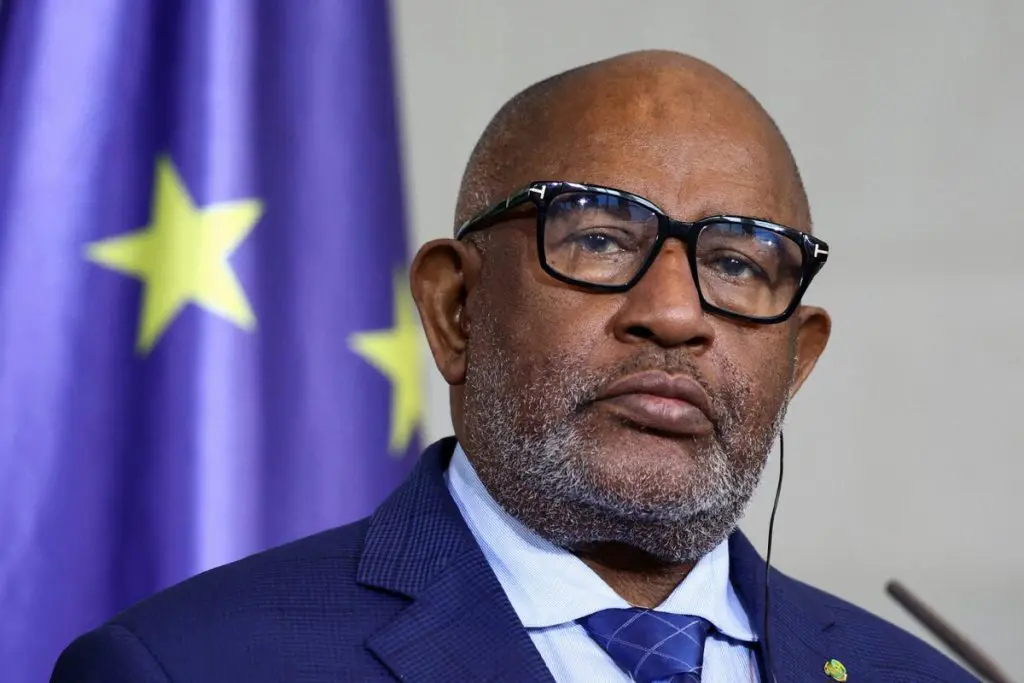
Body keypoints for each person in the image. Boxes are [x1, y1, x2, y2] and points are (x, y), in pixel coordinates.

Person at [51, 50, 973, 683]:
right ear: (454, 308)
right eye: (601, 239)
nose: (674, 312)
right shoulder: (192, 665)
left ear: (796, 359)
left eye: (736, 262)